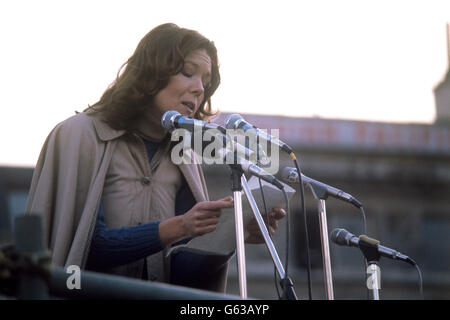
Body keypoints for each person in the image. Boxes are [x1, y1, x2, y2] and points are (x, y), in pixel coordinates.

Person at [25, 23, 286, 294]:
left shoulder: (184, 155)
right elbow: (82, 248)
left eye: (205, 83)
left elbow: (183, 272)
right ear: (151, 73)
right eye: (188, 73)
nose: (199, 89)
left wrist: (232, 235)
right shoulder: (79, 135)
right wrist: (178, 227)